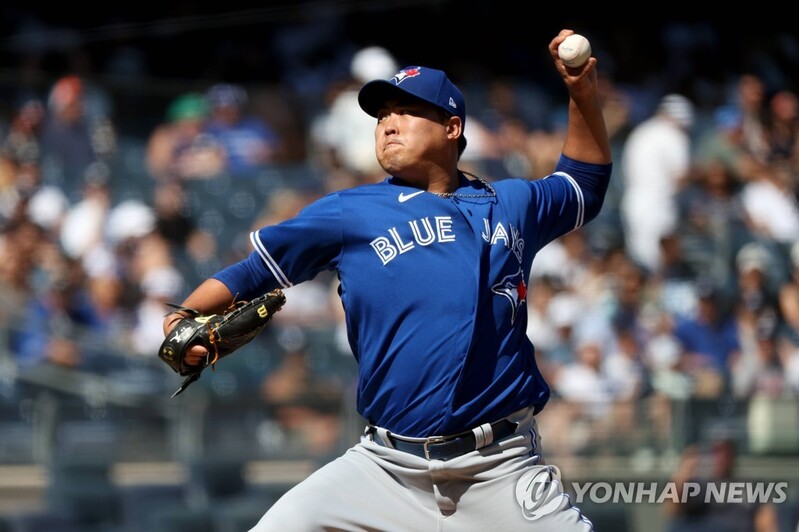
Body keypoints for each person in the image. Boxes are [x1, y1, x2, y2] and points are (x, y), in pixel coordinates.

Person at [163, 29, 611, 531]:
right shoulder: (350, 211)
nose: (388, 125)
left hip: (502, 471)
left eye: (407, 110)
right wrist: (183, 315)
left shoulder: (513, 203)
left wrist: (581, 94)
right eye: (381, 116)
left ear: (451, 127)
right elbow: (251, 272)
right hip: (384, 471)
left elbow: (584, 184)